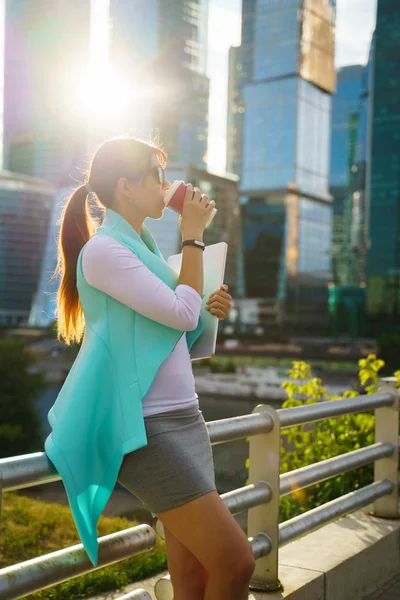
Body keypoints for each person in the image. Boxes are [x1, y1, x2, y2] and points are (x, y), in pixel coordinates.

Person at [47, 136, 255, 600]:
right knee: (236, 561)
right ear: (125, 185)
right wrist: (194, 234)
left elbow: (185, 330)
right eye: (156, 176)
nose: (167, 184)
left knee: (195, 577)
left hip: (186, 420)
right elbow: (179, 315)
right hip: (145, 429)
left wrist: (208, 307)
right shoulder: (103, 251)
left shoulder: (145, 251)